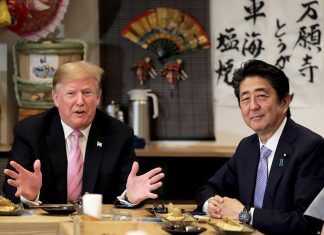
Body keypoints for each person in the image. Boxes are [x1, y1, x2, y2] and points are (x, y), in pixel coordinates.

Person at [3, 60, 164, 205]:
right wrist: (29, 196)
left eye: (87, 93)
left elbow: (128, 188)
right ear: (56, 98)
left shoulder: (119, 134)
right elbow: (11, 191)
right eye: (71, 93)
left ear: (98, 97)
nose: (80, 102)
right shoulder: (30, 131)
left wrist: (129, 196)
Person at [195, 59, 324, 235]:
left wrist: (245, 215)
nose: (253, 106)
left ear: (284, 102)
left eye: (262, 96)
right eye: (245, 98)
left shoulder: (310, 147)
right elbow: (208, 189)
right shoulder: (247, 147)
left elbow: (307, 223)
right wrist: (211, 204)